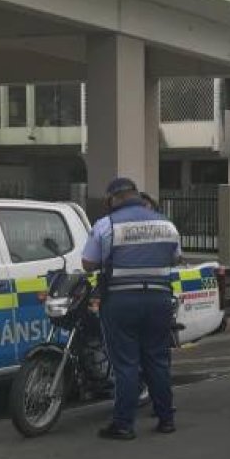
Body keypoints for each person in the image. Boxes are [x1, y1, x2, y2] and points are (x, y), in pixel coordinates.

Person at [81, 177, 182, 440]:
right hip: (159, 299)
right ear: (136, 194)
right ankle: (166, 419)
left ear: (113, 198)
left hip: (121, 300)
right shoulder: (166, 224)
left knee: (126, 363)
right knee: (157, 360)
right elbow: (176, 258)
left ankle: (124, 425)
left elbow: (88, 263)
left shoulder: (107, 224)